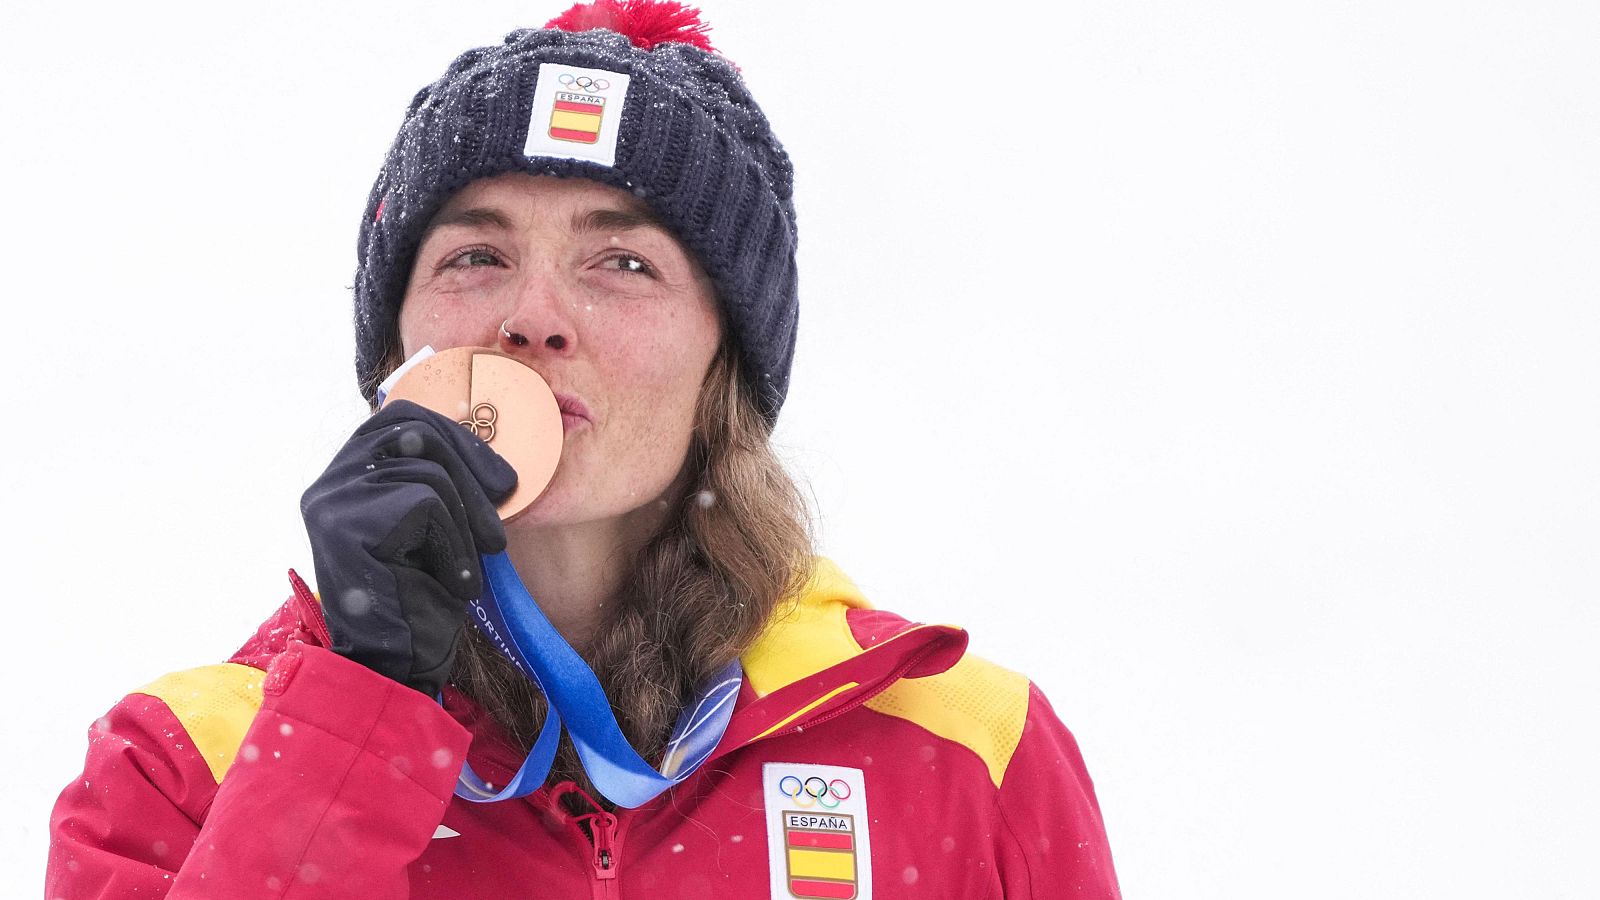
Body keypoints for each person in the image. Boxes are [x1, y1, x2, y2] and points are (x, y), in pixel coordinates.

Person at [45, 2, 1121, 897]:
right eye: (475, 253)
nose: (534, 317)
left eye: (622, 262)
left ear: (726, 366)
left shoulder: (961, 743)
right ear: (392, 356)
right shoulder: (190, 757)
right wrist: (355, 711)